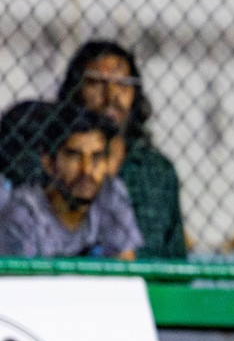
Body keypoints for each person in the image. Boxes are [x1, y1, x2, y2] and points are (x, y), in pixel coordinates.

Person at [56, 41, 186, 259]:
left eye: (122, 84)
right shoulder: (52, 164)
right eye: (97, 83)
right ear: (76, 90)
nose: (111, 96)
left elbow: (176, 263)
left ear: (134, 94)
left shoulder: (157, 172)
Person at [0, 105, 141, 259]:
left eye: (96, 157)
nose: (86, 169)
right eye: (73, 156)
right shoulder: (24, 212)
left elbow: (126, 267)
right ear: (48, 162)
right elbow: (22, 281)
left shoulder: (111, 192)